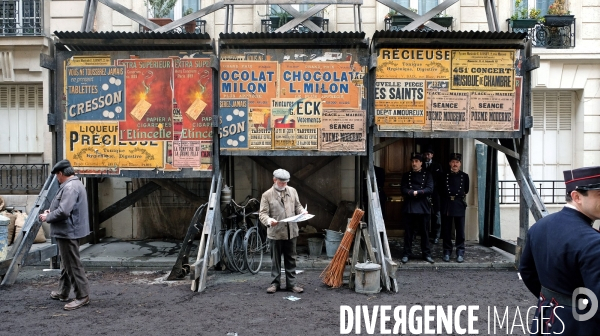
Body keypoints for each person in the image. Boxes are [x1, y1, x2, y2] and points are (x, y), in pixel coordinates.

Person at [519, 166, 600, 335]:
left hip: (546, 318)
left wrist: (553, 300)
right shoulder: (593, 242)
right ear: (576, 196)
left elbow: (527, 272)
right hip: (580, 326)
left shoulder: (540, 226)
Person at [38, 160, 90, 310]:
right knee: (67, 263)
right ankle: (63, 291)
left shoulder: (70, 187)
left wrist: (47, 217)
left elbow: (64, 211)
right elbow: (65, 208)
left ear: (60, 174)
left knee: (72, 264)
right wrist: (51, 211)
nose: (56, 178)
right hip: (70, 230)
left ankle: (82, 296)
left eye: (56, 176)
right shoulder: (75, 184)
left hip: (68, 231)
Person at [259, 169, 306, 294]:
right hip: (275, 232)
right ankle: (275, 284)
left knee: (291, 259)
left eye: (286, 182)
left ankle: (291, 284)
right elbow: (262, 214)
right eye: (281, 182)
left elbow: (298, 205)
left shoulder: (293, 191)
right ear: (274, 180)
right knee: (276, 260)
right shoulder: (267, 195)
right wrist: (269, 220)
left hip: (291, 231)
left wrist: (302, 211)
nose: (284, 185)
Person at [400, 153, 434, 264]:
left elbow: (430, 189)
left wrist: (417, 192)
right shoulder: (406, 175)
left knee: (424, 232)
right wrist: (411, 193)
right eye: (413, 161)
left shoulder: (427, 174)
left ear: (421, 163)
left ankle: (426, 254)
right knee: (408, 232)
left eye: (416, 161)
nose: (414, 163)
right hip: (410, 205)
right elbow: (403, 189)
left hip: (423, 206)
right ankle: (406, 253)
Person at [440, 153, 469, 263]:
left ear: (460, 164)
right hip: (447, 204)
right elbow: (440, 190)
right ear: (449, 163)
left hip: (459, 204)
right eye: (453, 162)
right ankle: (447, 251)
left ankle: (460, 251)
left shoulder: (465, 176)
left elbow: (466, 190)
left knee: (460, 230)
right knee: (446, 230)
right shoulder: (443, 176)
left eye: (457, 162)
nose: (455, 164)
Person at [423, 148, 443, 244]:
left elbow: (441, 179)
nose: (427, 156)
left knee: (437, 214)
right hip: (424, 193)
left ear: (432, 155)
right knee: (424, 214)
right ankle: (424, 235)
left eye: (429, 154)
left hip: (436, 193)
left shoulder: (437, 166)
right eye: (426, 154)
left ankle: (436, 236)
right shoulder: (421, 165)